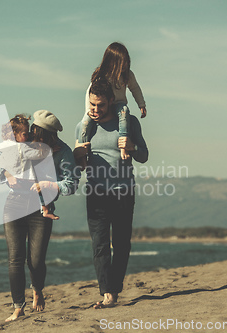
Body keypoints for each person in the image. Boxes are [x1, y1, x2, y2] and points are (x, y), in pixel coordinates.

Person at [0, 110, 79, 321]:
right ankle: (17, 307)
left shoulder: (63, 152)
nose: (34, 137)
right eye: (33, 132)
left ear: (50, 136)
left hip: (41, 208)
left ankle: (38, 289)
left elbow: (71, 185)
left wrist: (51, 184)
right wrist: (6, 174)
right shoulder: (25, 141)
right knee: (15, 259)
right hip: (14, 203)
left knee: (36, 260)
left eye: (39, 134)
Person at [74, 77, 149, 309]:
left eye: (100, 105)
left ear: (110, 101)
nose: (95, 110)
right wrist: (78, 155)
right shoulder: (84, 127)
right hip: (96, 192)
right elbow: (78, 167)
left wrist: (131, 147)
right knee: (99, 245)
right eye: (92, 105)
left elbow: (144, 155)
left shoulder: (128, 123)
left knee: (122, 244)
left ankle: (114, 289)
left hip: (123, 192)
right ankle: (108, 294)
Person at [78, 42, 147, 166]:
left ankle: (123, 145)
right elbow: (90, 91)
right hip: (95, 186)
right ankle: (83, 155)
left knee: (124, 111)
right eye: (121, 62)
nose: (124, 65)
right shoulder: (102, 75)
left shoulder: (128, 75)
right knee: (85, 123)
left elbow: (135, 89)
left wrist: (141, 104)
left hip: (119, 104)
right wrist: (89, 110)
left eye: (126, 62)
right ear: (112, 62)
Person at [0, 114, 59, 220]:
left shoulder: (4, 146)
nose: (28, 137)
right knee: (41, 191)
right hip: (24, 179)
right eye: (25, 134)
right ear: (14, 135)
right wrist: (50, 150)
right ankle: (46, 210)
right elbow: (38, 155)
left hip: (15, 185)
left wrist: (6, 173)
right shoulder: (22, 147)